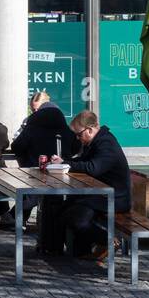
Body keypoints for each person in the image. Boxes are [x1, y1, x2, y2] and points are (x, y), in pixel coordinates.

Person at [48, 110, 132, 261]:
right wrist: (64, 162)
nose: (78, 138)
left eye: (79, 134)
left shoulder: (106, 143)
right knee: (61, 208)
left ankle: (108, 241)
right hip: (100, 194)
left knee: (75, 217)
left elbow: (93, 167)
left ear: (90, 130)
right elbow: (83, 161)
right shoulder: (95, 142)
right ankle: (76, 251)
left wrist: (65, 163)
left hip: (115, 198)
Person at [11, 90, 77, 170]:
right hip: (62, 170)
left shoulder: (32, 127)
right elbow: (76, 147)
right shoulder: (65, 128)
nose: (35, 113)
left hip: (36, 170)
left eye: (37, 110)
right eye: (33, 110)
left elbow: (16, 146)